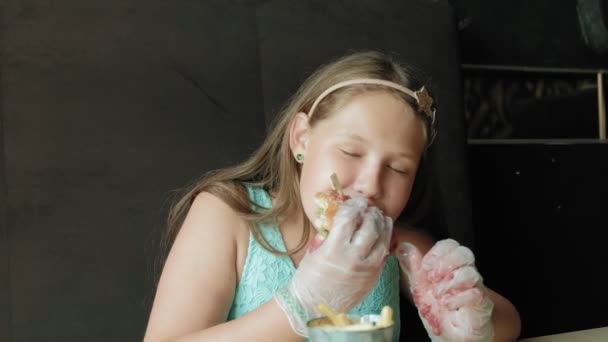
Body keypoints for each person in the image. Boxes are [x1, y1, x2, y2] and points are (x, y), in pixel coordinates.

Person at [143, 50, 521, 341]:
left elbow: (509, 322)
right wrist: (301, 303)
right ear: (301, 139)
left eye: (398, 168)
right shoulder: (228, 214)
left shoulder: (391, 244)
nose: (371, 184)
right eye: (352, 153)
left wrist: (471, 319)